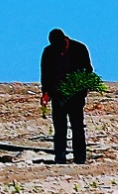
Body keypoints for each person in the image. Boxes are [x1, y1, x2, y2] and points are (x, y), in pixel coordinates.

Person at [39, 28, 96, 164]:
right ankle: (60, 158)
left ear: (65, 40)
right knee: (59, 128)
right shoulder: (48, 52)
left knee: (77, 127)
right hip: (58, 95)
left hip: (75, 95)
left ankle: (80, 159)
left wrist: (83, 88)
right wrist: (45, 93)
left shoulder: (79, 49)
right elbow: (45, 74)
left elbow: (88, 70)